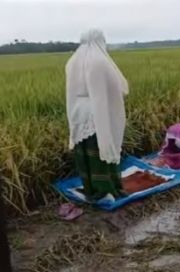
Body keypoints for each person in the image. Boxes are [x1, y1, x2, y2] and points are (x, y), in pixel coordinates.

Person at [66, 29, 128, 200]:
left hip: (79, 112)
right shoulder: (99, 62)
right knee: (102, 148)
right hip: (96, 113)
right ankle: (106, 189)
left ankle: (90, 188)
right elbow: (115, 89)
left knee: (85, 151)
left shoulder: (73, 61)